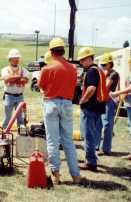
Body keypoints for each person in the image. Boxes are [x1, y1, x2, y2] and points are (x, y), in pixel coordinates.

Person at [38, 38, 82, 185]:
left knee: (52, 141)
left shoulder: (47, 69)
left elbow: (41, 86)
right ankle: (76, 176)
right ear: (63, 51)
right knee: (68, 141)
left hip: (51, 103)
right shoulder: (73, 68)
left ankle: (56, 174)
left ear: (51, 51)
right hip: (67, 104)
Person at [78, 47, 107, 171]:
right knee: (92, 134)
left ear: (89, 58)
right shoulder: (98, 70)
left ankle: (90, 162)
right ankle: (92, 159)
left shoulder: (91, 71)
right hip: (98, 107)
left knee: (88, 135)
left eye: (83, 60)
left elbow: (91, 89)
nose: (81, 63)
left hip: (90, 107)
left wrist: (82, 100)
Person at [96, 53, 120, 155]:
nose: (103, 66)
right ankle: (96, 145)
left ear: (110, 64)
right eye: (102, 65)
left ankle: (106, 148)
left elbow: (105, 87)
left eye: (105, 65)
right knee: (98, 124)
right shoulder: (105, 73)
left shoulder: (113, 74)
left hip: (109, 101)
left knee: (107, 125)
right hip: (102, 100)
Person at [1, 49, 29, 129]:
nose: (16, 60)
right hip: (9, 96)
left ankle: (21, 133)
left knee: (20, 117)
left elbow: (25, 80)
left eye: (17, 58)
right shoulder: (5, 69)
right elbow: (7, 79)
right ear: (10, 59)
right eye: (14, 58)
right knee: (7, 117)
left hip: (20, 96)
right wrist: (19, 77)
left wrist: (12, 78)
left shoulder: (23, 70)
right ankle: (5, 133)